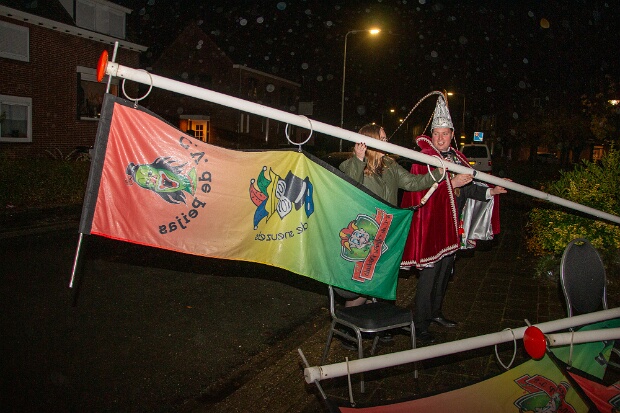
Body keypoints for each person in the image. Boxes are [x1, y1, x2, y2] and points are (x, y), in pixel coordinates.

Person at [400, 95, 509, 345]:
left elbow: (468, 188)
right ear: (432, 135)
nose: (440, 138)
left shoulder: (458, 158)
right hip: (431, 228)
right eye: (436, 134)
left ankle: (435, 313)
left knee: (444, 273)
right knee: (429, 276)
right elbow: (419, 190)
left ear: (452, 135)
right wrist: (452, 182)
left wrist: (490, 191)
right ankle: (420, 324)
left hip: (452, 226)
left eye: (445, 134)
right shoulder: (424, 158)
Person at [337, 123, 444, 307]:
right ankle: (349, 320)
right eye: (382, 139)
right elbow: (352, 188)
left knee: (375, 283)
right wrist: (359, 159)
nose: (386, 142)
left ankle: (370, 320)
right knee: (359, 285)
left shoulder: (390, 165)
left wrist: (437, 173)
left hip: (385, 232)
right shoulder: (351, 164)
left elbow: (412, 183)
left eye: (386, 138)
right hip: (364, 235)